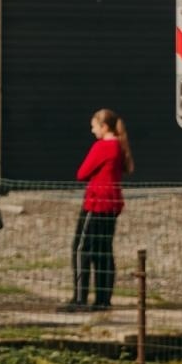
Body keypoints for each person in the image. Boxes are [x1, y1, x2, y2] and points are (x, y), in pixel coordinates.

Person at [65, 108, 134, 313]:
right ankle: (103, 299)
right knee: (104, 251)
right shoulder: (119, 148)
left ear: (104, 127)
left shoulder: (102, 147)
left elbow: (82, 173)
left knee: (81, 248)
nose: (92, 130)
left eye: (94, 126)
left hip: (96, 204)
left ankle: (80, 297)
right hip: (111, 205)